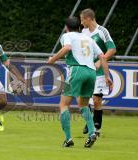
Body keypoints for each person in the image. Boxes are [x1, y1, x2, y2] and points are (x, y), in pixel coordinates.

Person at [47, 17, 113, 148]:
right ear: (79, 27)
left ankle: (68, 138)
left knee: (64, 105)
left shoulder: (67, 36)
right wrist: (107, 76)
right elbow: (102, 56)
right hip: (91, 72)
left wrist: (52, 60)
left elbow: (67, 48)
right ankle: (92, 132)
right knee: (83, 104)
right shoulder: (88, 38)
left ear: (66, 27)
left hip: (76, 70)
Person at [80, 8, 116, 136]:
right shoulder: (83, 32)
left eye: (82, 19)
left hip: (100, 70)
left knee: (96, 100)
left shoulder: (102, 31)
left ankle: (96, 128)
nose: (81, 23)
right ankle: (90, 122)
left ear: (88, 18)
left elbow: (112, 49)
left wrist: (100, 62)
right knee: (84, 99)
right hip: (87, 70)